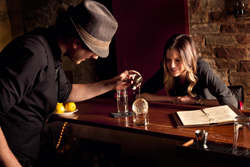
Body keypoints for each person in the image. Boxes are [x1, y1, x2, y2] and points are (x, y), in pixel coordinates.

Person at [0, 1, 138, 166]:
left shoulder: (52, 50)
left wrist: (112, 84)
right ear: (77, 43)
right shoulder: (33, 55)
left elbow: (66, 92)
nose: (95, 57)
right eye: (94, 51)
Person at [136, 34, 238, 108]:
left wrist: (195, 101)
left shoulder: (201, 67)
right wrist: (172, 99)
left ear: (188, 59)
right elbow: (140, 95)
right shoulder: (166, 69)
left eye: (178, 60)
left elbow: (232, 102)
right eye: (168, 59)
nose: (172, 65)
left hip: (207, 117)